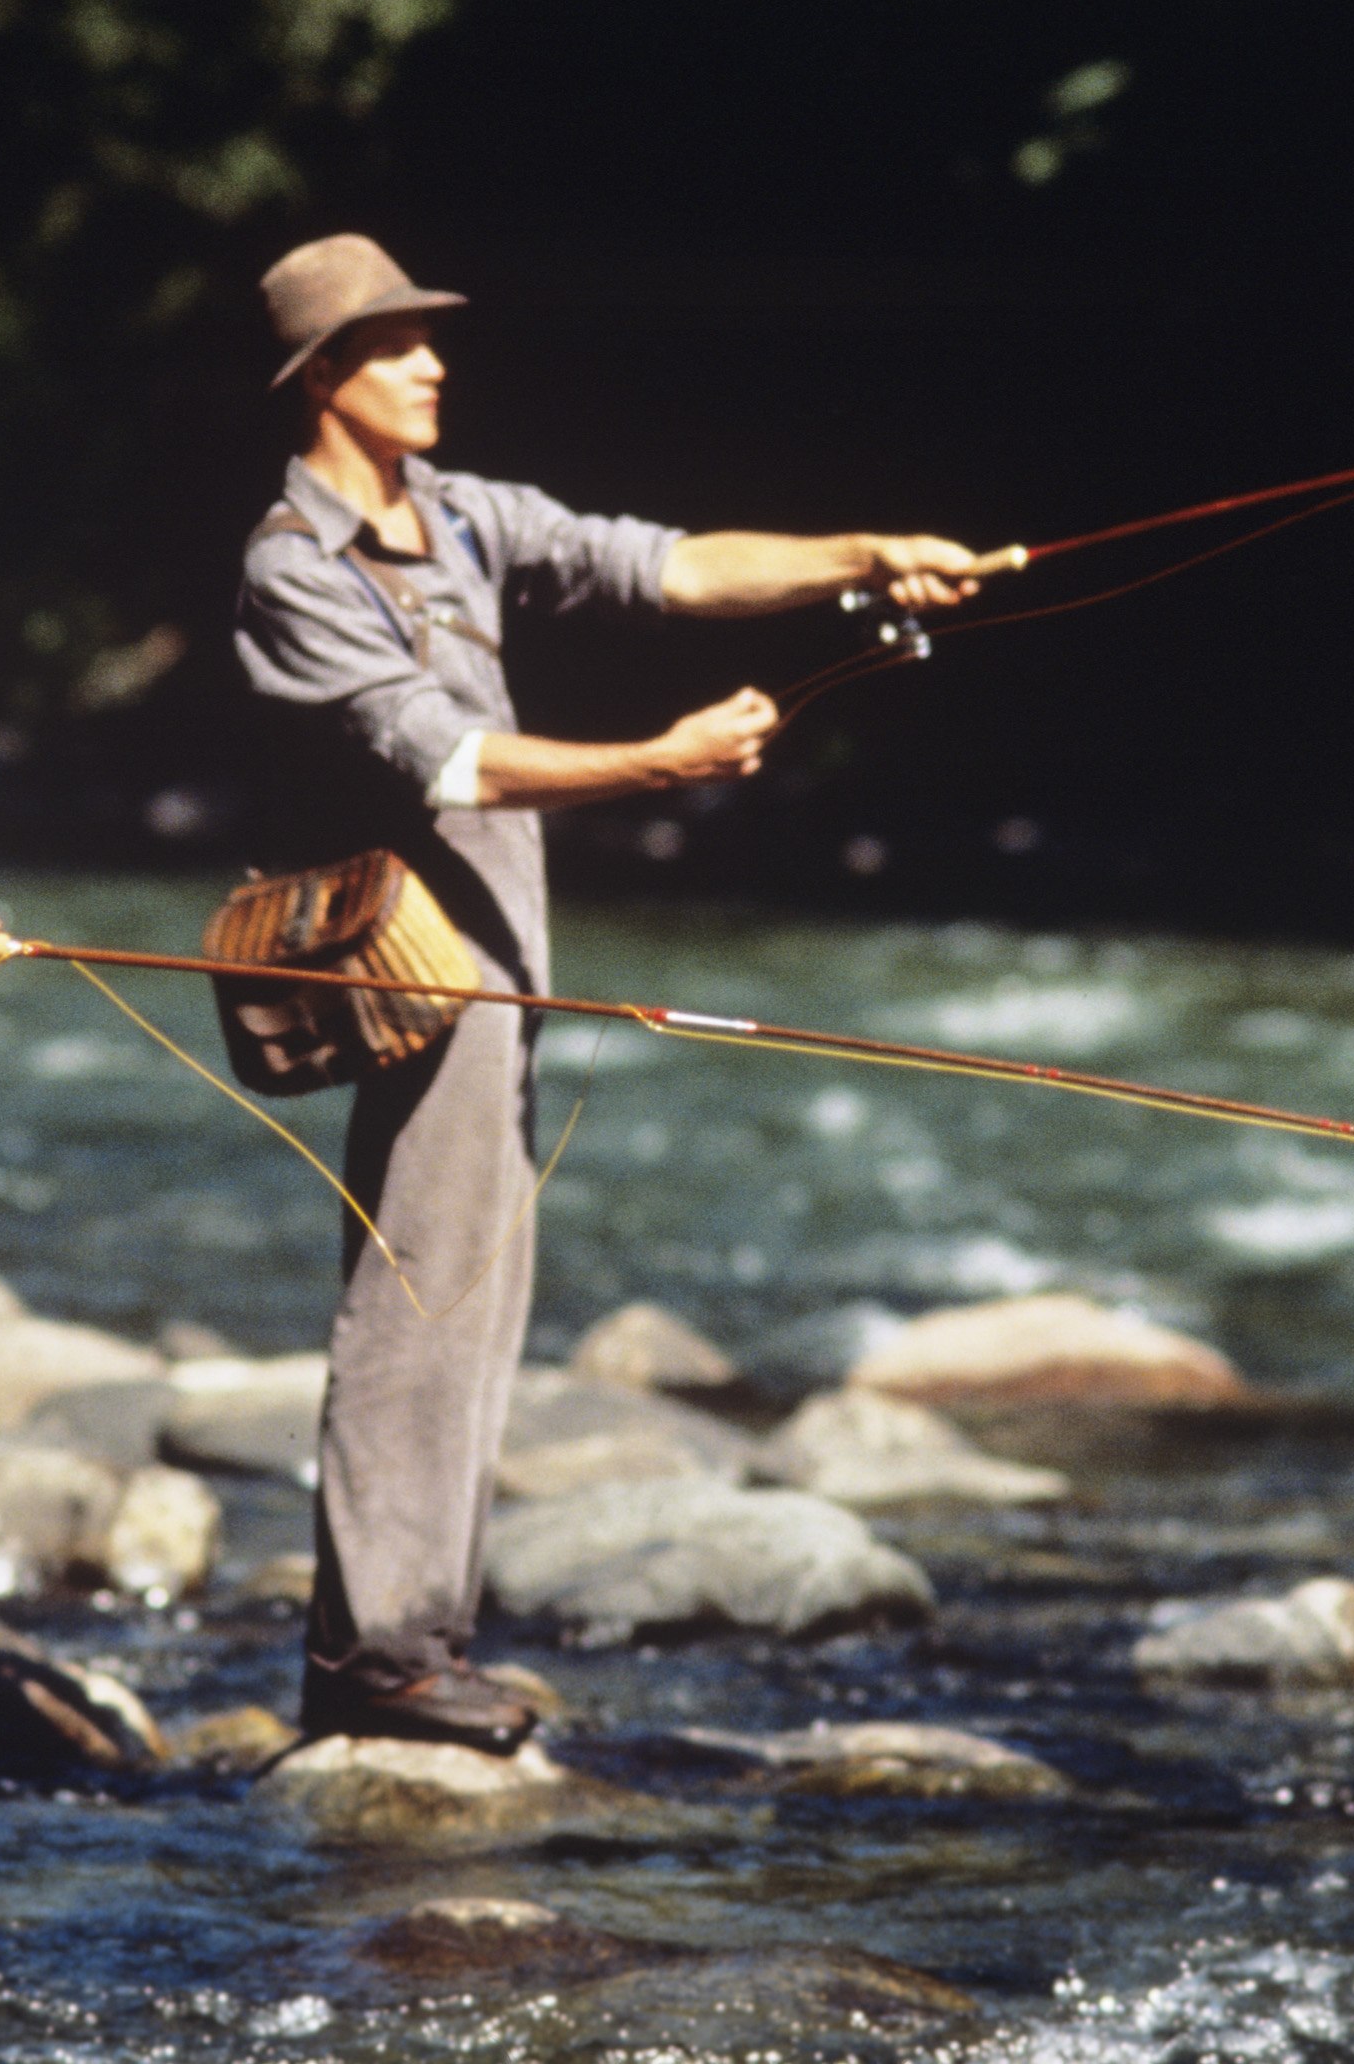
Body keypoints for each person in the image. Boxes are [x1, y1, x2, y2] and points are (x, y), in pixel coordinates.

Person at [232, 234, 1003, 1751]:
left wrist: (863, 556)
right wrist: (660, 763)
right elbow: (445, 758)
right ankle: (374, 1657)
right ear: (325, 376)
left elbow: (671, 563)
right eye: (398, 345)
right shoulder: (291, 566)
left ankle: (414, 1639)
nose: (436, 363)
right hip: (406, 976)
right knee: (420, 1292)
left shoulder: (460, 513)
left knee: (481, 1293)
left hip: (498, 959)